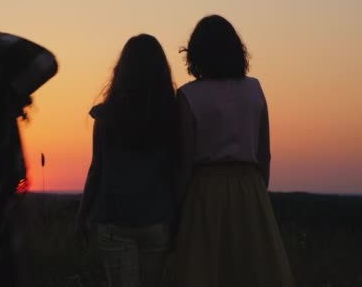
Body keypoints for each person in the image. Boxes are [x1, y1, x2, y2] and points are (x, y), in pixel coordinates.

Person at [172, 15, 295, 286]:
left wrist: (177, 207)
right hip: (249, 189)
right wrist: (257, 193)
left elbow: (185, 160)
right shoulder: (254, 89)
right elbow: (264, 154)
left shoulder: (188, 95)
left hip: (204, 192)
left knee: (203, 271)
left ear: (195, 54)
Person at [76, 34, 178, 287]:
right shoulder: (171, 116)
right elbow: (177, 169)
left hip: (115, 221)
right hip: (157, 219)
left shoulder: (106, 117)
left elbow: (96, 169)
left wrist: (82, 215)